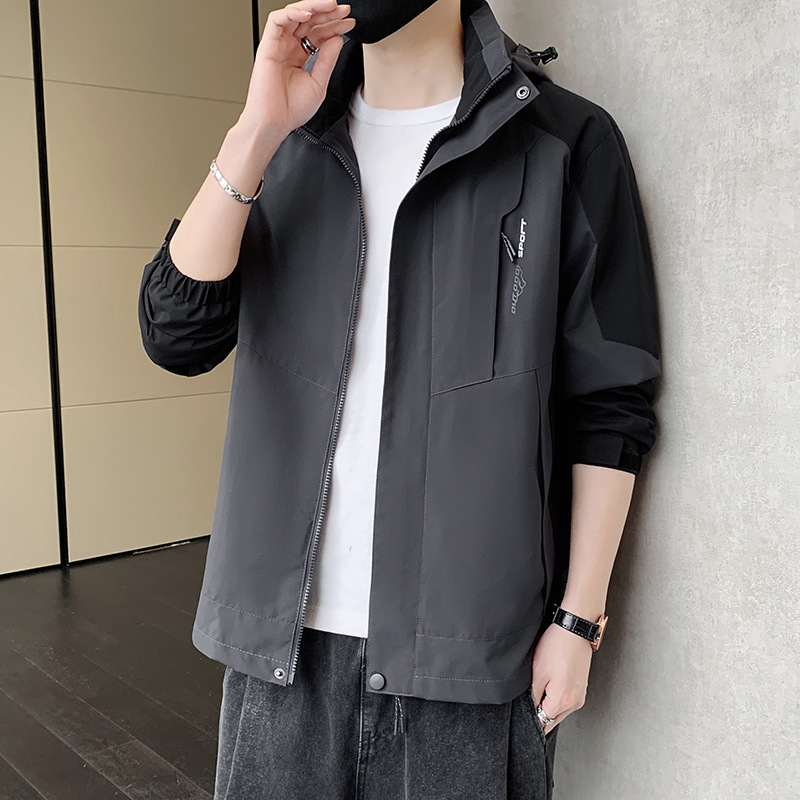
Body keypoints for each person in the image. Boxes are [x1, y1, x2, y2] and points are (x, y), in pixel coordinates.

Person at [138, 0, 661, 797]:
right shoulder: (287, 140)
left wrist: (577, 622)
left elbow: (610, 402)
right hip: (282, 657)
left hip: (468, 662)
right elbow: (176, 335)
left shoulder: (563, 142)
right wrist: (255, 131)